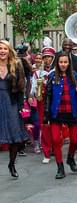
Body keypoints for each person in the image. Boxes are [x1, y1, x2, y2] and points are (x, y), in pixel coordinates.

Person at [44, 52, 77, 179]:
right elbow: (48, 95)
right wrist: (46, 114)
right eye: (61, 62)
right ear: (57, 63)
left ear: (69, 63)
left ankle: (70, 158)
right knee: (55, 140)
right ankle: (60, 167)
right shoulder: (52, 76)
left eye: (65, 62)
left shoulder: (74, 76)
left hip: (72, 111)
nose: (63, 64)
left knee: (75, 140)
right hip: (57, 111)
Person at [0, 39, 29, 178]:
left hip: (11, 103)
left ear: (9, 50)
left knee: (15, 137)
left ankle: (12, 163)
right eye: (0, 48)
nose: (2, 51)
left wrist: (21, 106)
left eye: (5, 48)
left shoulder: (16, 64)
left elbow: (21, 87)